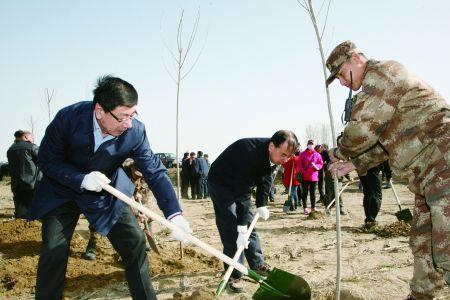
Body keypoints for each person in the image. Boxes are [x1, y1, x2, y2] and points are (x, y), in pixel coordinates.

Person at [27, 75, 192, 300]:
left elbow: (155, 171)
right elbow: (47, 160)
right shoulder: (69, 118)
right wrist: (81, 179)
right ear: (100, 111)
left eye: (133, 115)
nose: (128, 123)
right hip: (62, 189)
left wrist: (174, 214)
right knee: (54, 250)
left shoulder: (135, 132)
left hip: (106, 191)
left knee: (135, 243)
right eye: (123, 116)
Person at [326, 40, 450, 300]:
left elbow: (361, 131)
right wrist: (355, 164)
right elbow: (387, 143)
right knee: (423, 242)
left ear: (356, 58)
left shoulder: (382, 75)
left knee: (446, 246)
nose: (341, 82)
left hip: (443, 163)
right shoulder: (376, 91)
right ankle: (422, 295)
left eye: (341, 73)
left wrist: (337, 151)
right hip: (426, 175)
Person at [207, 130, 298, 293]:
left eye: (289, 156)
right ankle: (235, 272)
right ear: (272, 146)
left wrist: (262, 204)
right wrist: (241, 229)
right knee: (231, 228)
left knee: (250, 224)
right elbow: (243, 194)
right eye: (283, 154)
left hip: (240, 183)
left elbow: (265, 179)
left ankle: (257, 264)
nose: (285, 160)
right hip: (221, 182)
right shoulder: (249, 154)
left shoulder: (273, 156)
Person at [7, 130, 41, 219]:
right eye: (31, 138)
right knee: (36, 213)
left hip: (16, 185)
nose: (32, 140)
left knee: (21, 214)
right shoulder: (31, 147)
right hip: (32, 184)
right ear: (25, 137)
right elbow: (44, 160)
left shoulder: (10, 150)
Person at [298, 140, 323, 215]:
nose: (310, 145)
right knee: (304, 193)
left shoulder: (317, 154)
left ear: (314, 145)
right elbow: (299, 165)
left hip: (314, 177)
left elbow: (320, 164)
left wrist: (316, 167)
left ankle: (313, 207)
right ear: (307, 145)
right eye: (309, 144)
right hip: (305, 177)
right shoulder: (303, 154)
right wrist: (303, 171)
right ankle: (305, 208)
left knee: (313, 193)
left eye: (312, 144)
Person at [320, 144, 347, 215]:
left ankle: (341, 208)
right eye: (329, 156)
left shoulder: (341, 163)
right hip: (329, 182)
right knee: (329, 195)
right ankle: (328, 208)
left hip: (339, 181)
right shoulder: (329, 164)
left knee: (339, 195)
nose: (330, 157)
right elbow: (327, 173)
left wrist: (349, 178)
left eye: (331, 156)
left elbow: (346, 171)